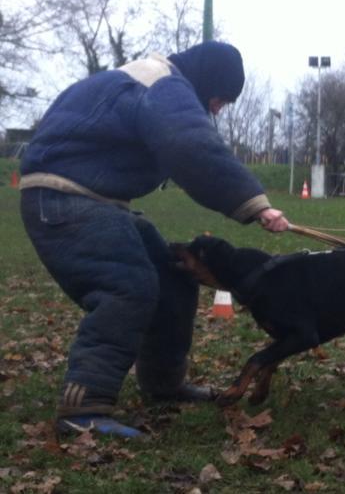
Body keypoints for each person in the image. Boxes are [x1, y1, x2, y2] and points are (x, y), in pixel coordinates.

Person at [19, 41, 290, 438]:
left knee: (173, 273)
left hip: (91, 197)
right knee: (127, 286)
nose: (216, 110)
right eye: (219, 100)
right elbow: (190, 146)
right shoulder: (162, 84)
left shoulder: (147, 81)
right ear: (208, 82)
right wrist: (255, 205)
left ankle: (164, 385)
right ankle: (83, 408)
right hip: (62, 197)